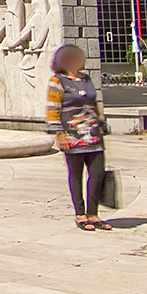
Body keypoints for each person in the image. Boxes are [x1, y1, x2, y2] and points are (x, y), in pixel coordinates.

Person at [46, 44, 108, 231]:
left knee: (97, 174)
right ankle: (80, 214)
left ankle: (93, 213)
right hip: (72, 135)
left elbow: (94, 103)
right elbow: (53, 108)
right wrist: (59, 133)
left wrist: (101, 123)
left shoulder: (86, 79)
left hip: (93, 133)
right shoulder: (57, 81)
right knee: (76, 175)